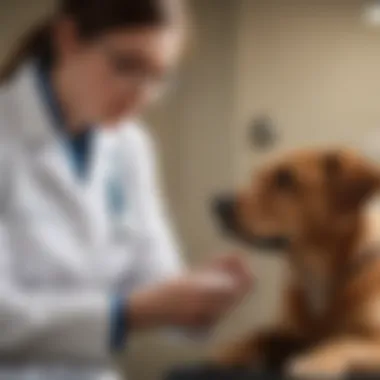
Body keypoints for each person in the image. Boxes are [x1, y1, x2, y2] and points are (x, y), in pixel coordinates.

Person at [0, 1, 254, 379]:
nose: (143, 95)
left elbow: (155, 277)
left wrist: (196, 297)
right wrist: (129, 313)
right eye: (128, 66)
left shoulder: (130, 145)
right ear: (68, 38)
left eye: (160, 77)